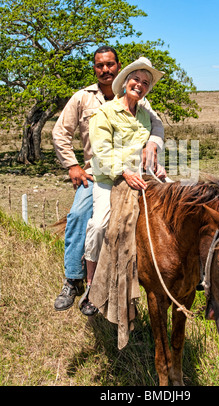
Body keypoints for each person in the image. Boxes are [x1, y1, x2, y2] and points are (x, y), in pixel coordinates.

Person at [53, 47, 164, 311]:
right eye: (99, 65)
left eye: (110, 65)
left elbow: (157, 125)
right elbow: (61, 133)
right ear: (94, 68)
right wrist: (73, 166)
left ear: (119, 67)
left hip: (136, 170)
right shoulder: (83, 97)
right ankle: (74, 279)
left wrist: (153, 145)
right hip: (97, 171)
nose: (105, 70)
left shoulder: (138, 96)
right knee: (81, 215)